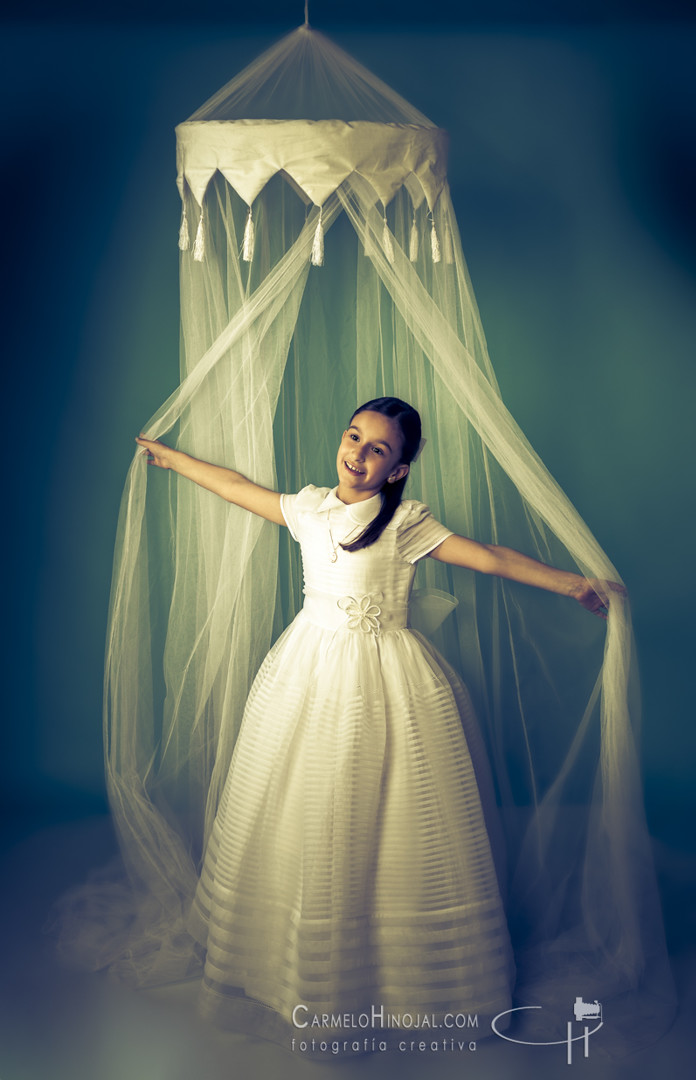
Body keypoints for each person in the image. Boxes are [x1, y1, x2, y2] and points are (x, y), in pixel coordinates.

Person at [135, 395, 624, 1048]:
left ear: (397, 470)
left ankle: (393, 971)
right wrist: (173, 459)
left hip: (387, 679)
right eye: (353, 437)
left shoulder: (406, 524)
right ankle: (298, 964)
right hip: (307, 671)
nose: (358, 455)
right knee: (306, 806)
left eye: (377, 450)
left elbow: (490, 556)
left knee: (392, 812)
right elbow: (235, 488)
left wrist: (571, 584)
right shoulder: (310, 507)